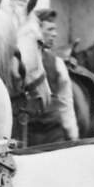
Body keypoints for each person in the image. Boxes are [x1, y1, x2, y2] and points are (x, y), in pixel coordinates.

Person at [20, 9, 79, 145]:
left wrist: (73, 135)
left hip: (53, 134)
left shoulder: (57, 63)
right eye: (50, 29)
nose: (55, 34)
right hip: (26, 135)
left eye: (55, 30)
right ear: (37, 30)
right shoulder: (20, 63)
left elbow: (65, 101)